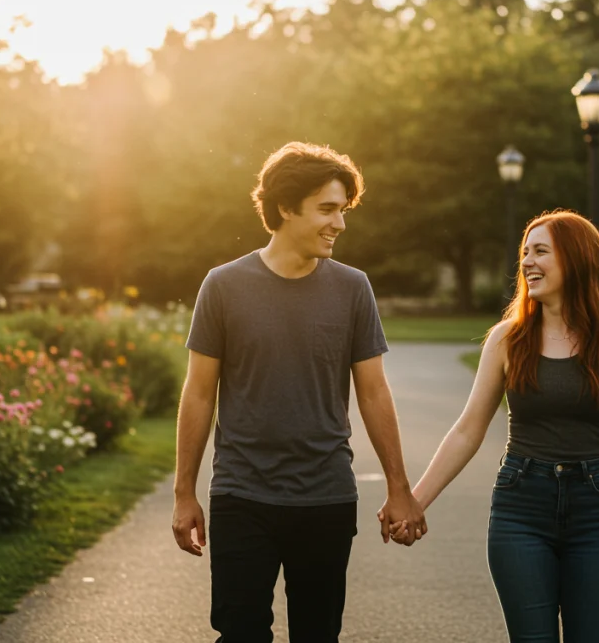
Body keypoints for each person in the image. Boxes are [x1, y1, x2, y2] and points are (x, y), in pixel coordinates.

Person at [171, 141, 427, 643]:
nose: (340, 224)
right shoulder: (222, 286)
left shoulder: (353, 288)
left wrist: (400, 488)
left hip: (325, 496)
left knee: (318, 634)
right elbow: (199, 394)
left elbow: (373, 393)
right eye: (327, 209)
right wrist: (185, 493)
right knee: (241, 633)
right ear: (286, 207)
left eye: (343, 210)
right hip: (242, 494)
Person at [392, 209, 599, 642]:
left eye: (541, 252)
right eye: (525, 253)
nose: (528, 262)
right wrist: (415, 501)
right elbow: (467, 430)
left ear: (577, 259)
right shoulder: (507, 339)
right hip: (521, 508)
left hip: (598, 511)